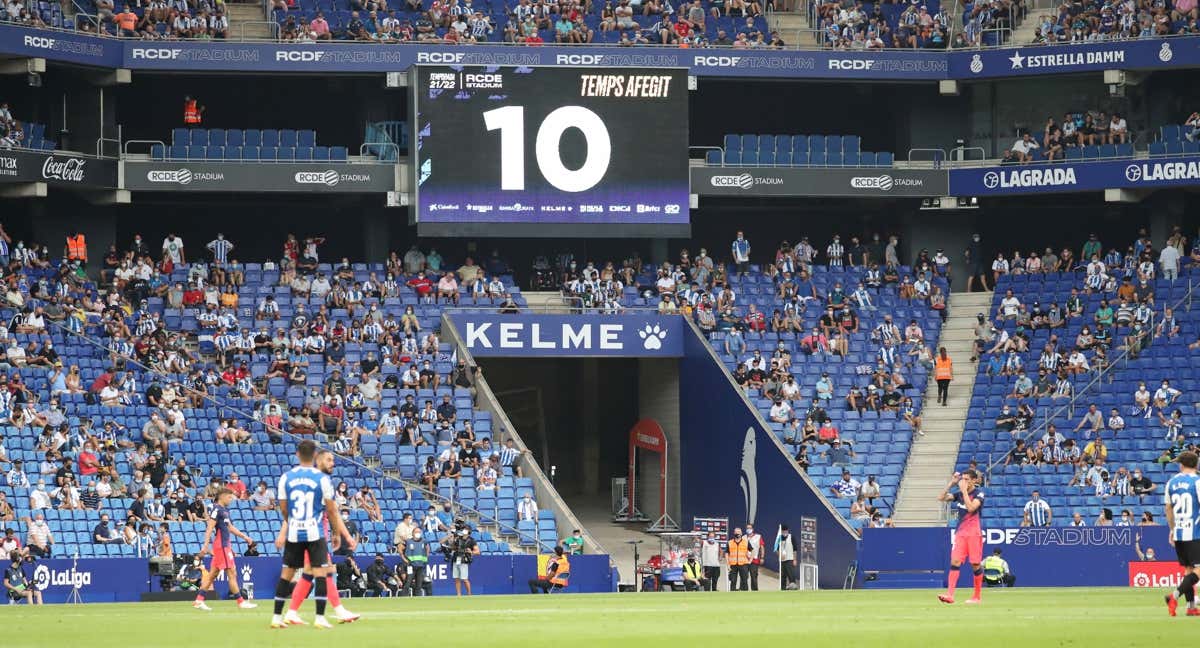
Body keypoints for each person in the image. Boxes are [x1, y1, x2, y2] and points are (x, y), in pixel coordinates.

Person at [269, 440, 356, 629]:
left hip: (306, 531)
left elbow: (287, 510)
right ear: (317, 459)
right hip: (314, 534)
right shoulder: (321, 481)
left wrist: (286, 530)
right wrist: (344, 535)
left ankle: (290, 612)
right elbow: (332, 512)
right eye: (329, 459)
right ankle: (335, 610)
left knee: (307, 573)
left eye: (333, 460)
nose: (332, 463)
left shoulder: (290, 478)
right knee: (324, 571)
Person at [191, 488, 257, 612]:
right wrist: (205, 546)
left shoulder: (224, 511)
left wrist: (245, 537)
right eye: (229, 497)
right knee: (232, 573)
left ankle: (198, 601)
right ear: (222, 496)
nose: (231, 500)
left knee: (212, 575)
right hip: (221, 546)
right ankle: (240, 601)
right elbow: (209, 528)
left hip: (224, 546)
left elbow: (230, 527)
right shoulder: (216, 509)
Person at [937, 469, 985, 605]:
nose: (964, 482)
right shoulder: (958, 494)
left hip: (974, 533)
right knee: (955, 562)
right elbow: (941, 498)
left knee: (975, 564)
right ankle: (950, 595)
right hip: (961, 533)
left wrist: (963, 491)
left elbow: (971, 508)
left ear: (974, 480)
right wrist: (951, 483)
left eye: (967, 479)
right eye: (962, 479)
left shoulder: (979, 494)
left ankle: (977, 596)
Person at [1162, 450, 1200, 617]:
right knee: (1197, 572)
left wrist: (1172, 529)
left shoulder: (1171, 482)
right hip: (1196, 531)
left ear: (1182, 464)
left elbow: (1168, 509)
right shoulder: (1197, 482)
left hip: (1179, 532)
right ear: (1196, 464)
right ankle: (1174, 596)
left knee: (1188, 570)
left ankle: (1191, 607)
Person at [401, 527, 429, 596]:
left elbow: (427, 548)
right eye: (416, 532)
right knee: (408, 582)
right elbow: (400, 548)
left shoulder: (424, 541)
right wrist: (404, 559)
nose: (418, 533)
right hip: (411, 565)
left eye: (419, 532)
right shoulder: (408, 541)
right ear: (413, 533)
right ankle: (404, 597)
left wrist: (426, 557)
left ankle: (417, 598)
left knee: (419, 584)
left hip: (420, 566)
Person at [726, 527, 750, 591]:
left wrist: (750, 560)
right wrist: (728, 564)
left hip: (743, 564)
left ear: (741, 533)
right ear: (734, 533)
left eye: (739, 532)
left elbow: (752, 550)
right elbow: (726, 553)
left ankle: (745, 595)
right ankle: (732, 596)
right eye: (736, 532)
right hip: (733, 565)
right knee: (733, 581)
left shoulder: (746, 542)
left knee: (744, 580)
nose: (737, 533)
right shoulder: (730, 542)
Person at [777, 524, 799, 590]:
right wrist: (780, 556)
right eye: (783, 532)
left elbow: (795, 549)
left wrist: (795, 559)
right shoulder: (779, 538)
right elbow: (776, 549)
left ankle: (793, 588)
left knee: (791, 575)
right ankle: (783, 589)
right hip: (782, 560)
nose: (784, 533)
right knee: (783, 576)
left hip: (790, 559)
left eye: (786, 531)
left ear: (787, 531)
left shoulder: (791, 537)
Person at [744, 523, 763, 591]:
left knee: (754, 576)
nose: (748, 529)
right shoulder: (743, 537)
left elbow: (762, 547)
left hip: (754, 560)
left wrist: (762, 557)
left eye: (750, 528)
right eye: (747, 528)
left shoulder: (758, 536)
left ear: (752, 529)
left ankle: (754, 591)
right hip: (745, 560)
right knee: (744, 576)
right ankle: (743, 590)